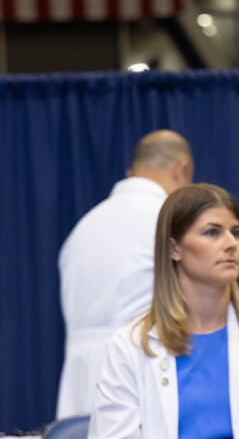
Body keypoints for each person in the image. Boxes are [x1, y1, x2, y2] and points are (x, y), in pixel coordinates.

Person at [89, 183, 239, 439]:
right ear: (174, 248)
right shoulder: (131, 346)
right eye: (212, 232)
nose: (231, 243)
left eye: (236, 232)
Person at [57, 130, 194, 419]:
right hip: (138, 377)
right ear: (181, 170)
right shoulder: (166, 220)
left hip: (77, 387)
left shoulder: (84, 226)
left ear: (131, 172)